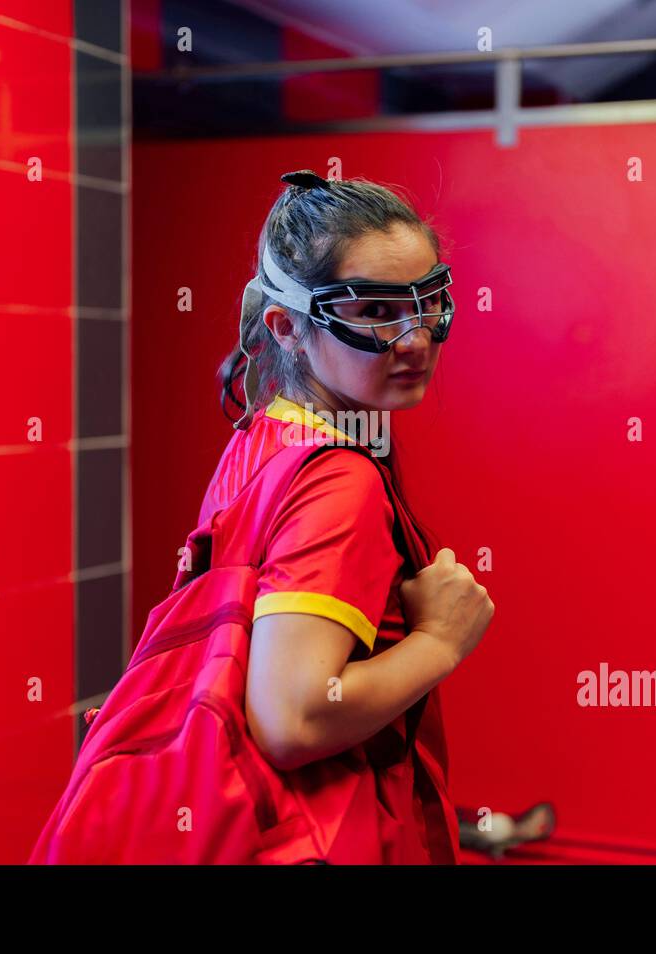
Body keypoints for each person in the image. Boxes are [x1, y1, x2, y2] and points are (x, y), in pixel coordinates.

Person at [207, 168, 495, 863]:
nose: (415, 339)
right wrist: (442, 641)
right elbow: (292, 716)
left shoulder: (262, 437)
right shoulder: (339, 479)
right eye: (374, 313)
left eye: (427, 302)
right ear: (289, 328)